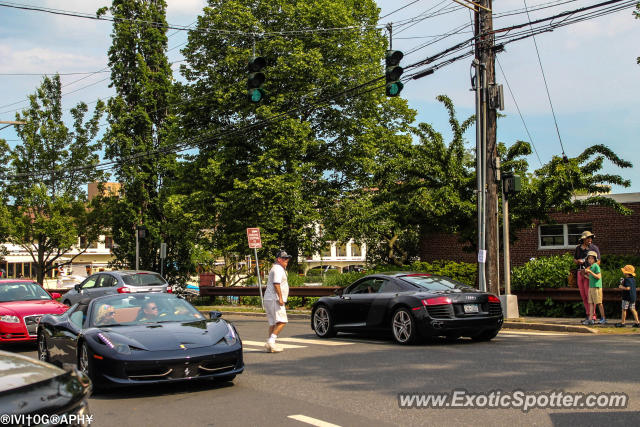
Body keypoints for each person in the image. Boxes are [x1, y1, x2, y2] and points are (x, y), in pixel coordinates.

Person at [263, 250, 292, 353]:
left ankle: (270, 345)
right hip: (274, 299)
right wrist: (280, 298)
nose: (286, 260)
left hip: (269, 298)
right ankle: (271, 341)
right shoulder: (278, 269)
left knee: (273, 323)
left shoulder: (275, 268)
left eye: (287, 258)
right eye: (284, 258)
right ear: (279, 259)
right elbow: (276, 284)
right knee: (282, 321)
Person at [574, 231, 600, 322]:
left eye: (591, 238)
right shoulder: (578, 248)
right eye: (588, 238)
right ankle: (588, 313)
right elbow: (575, 259)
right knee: (583, 295)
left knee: (590, 295)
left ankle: (593, 315)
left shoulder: (594, 248)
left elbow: (598, 261)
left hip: (589, 273)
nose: (590, 240)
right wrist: (578, 261)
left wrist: (588, 269)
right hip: (579, 272)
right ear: (583, 239)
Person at [582, 251, 605, 325]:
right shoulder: (591, 267)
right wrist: (584, 274)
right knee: (591, 303)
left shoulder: (596, 266)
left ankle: (603, 318)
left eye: (592, 258)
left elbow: (598, 277)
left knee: (599, 303)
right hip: (591, 287)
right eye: (589, 258)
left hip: (597, 287)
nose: (590, 260)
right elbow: (591, 278)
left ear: (595, 259)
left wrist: (590, 272)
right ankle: (590, 319)